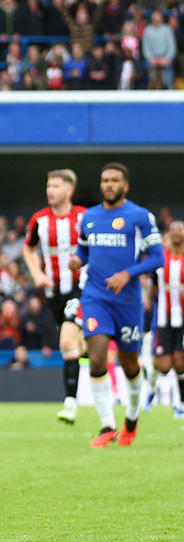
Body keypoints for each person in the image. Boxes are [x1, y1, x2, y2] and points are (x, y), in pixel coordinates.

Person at [69, 163, 163, 448]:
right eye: (105, 180)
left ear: (125, 186)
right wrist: (78, 259)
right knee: (96, 357)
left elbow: (157, 257)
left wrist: (128, 273)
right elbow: (84, 248)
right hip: (95, 296)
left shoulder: (139, 216)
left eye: (114, 180)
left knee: (129, 362)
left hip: (128, 300)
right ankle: (107, 425)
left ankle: (131, 419)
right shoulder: (90, 216)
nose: (109, 185)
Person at [21, 169, 88, 424]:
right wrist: (37, 273)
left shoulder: (84, 216)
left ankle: (70, 404)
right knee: (78, 347)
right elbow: (27, 249)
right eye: (48, 186)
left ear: (69, 190)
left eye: (56, 186)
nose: (50, 190)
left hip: (81, 287)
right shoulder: (39, 220)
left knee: (67, 341)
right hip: (53, 292)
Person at [149, 221, 184, 416]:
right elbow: (153, 283)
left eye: (180, 230)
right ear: (169, 235)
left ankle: (181, 404)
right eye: (173, 231)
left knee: (180, 362)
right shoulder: (161, 259)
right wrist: (146, 299)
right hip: (164, 318)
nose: (177, 234)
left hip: (183, 319)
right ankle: (150, 385)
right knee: (164, 366)